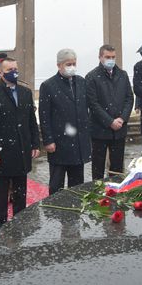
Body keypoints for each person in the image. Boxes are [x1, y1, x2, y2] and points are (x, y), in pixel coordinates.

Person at [0, 57, 40, 232]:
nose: (14, 72)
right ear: (0, 72)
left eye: (15, 69)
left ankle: (20, 222)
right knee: (1, 192)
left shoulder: (25, 92)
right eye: (9, 70)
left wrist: (35, 144)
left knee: (20, 191)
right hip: (1, 152)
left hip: (21, 150)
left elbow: (31, 120)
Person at [39, 49, 92, 194]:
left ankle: (75, 207)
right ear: (59, 65)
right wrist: (48, 140)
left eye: (74, 63)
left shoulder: (81, 82)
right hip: (59, 143)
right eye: (68, 64)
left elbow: (87, 107)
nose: (72, 67)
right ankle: (56, 209)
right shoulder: (48, 86)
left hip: (78, 143)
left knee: (77, 187)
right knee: (57, 186)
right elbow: (44, 116)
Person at [85, 44, 134, 180]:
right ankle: (98, 190)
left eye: (113, 57)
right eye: (107, 57)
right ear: (100, 57)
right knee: (98, 167)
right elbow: (93, 104)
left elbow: (129, 98)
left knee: (117, 168)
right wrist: (109, 121)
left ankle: (116, 189)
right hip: (99, 130)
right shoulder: (92, 77)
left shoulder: (122, 75)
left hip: (119, 130)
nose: (111, 60)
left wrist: (122, 118)